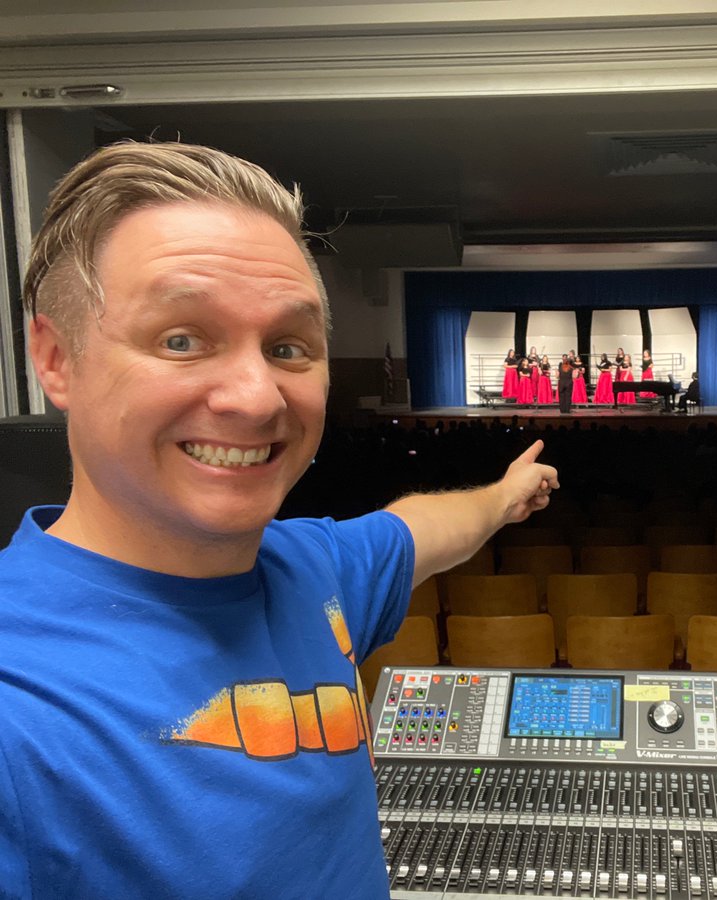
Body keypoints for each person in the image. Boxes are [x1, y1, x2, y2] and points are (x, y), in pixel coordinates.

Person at [0, 141, 559, 899]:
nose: (257, 398)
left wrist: (504, 495)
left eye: (288, 347)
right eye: (182, 339)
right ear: (56, 358)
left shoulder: (314, 571)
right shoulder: (19, 697)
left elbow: (421, 530)